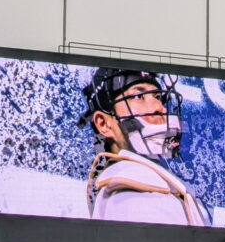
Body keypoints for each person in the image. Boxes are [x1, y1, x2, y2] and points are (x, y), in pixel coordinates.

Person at [78, 68, 209, 226]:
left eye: (158, 97)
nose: (159, 107)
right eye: (139, 96)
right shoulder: (130, 194)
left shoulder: (149, 181)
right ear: (104, 123)